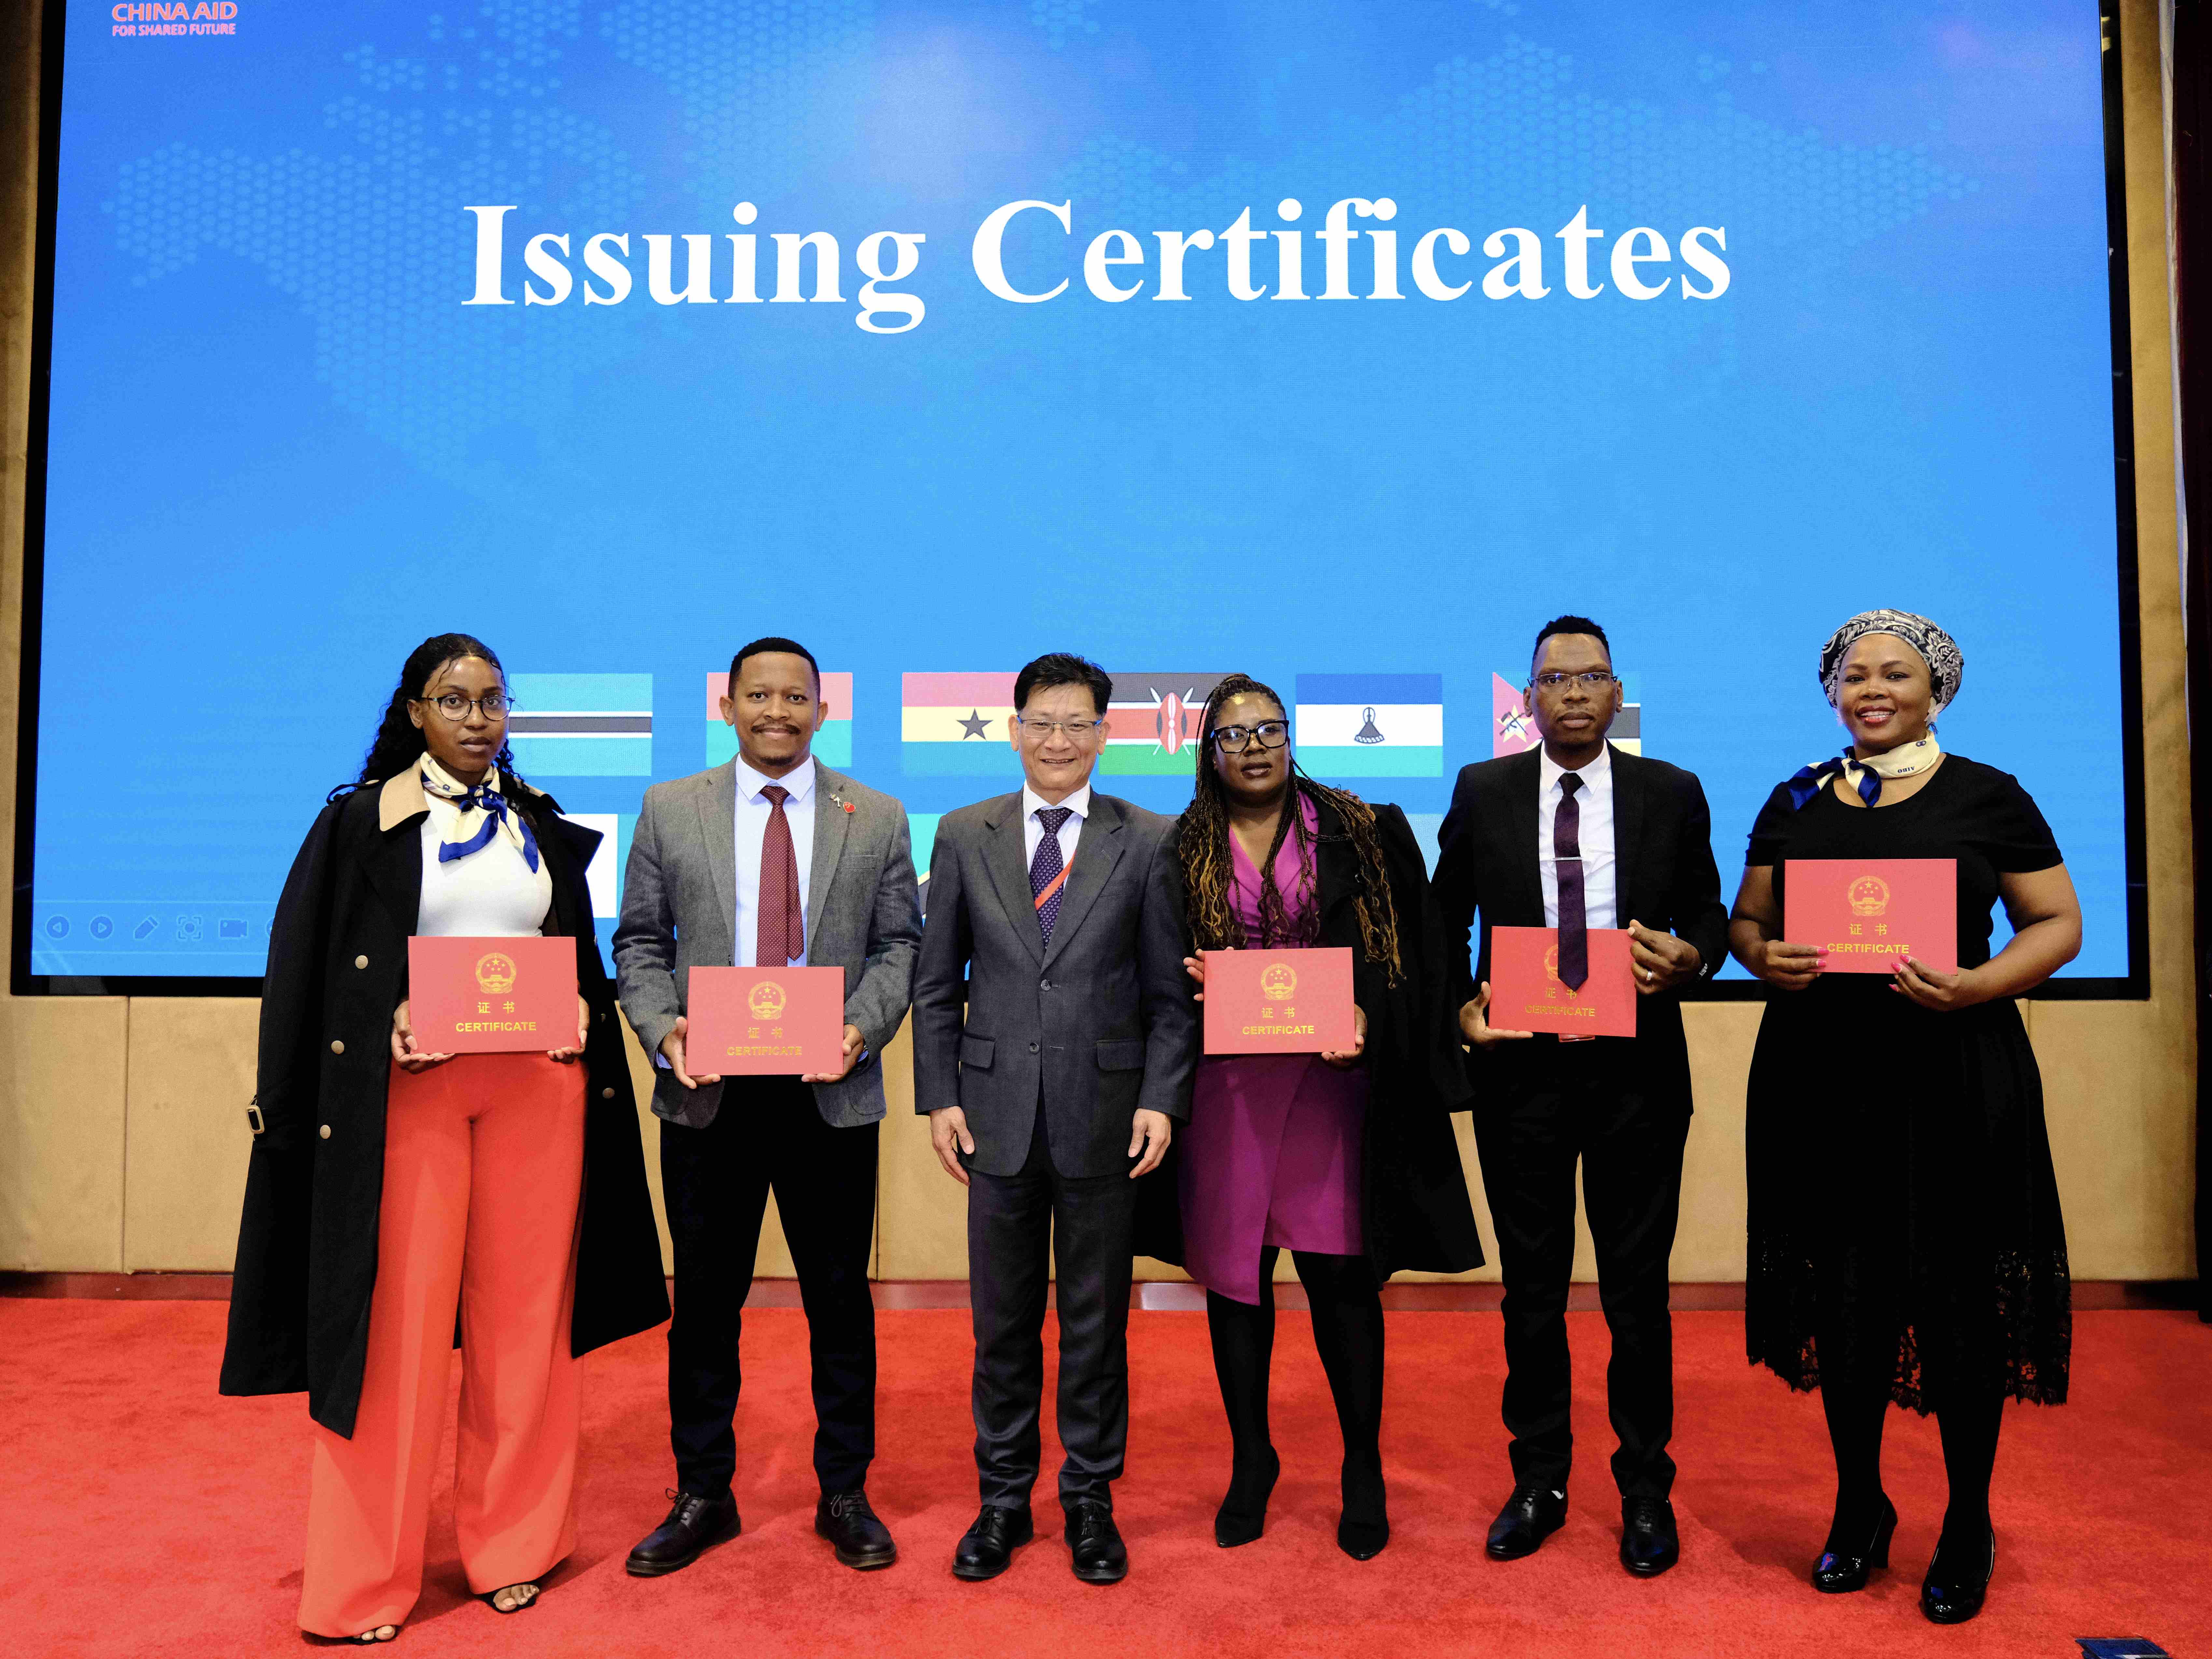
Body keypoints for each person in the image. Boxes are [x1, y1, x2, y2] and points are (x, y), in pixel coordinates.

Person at [220, 633, 668, 1643]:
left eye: (492, 700)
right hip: (409, 1097)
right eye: (455, 699)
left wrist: (583, 1008)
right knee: (392, 1339)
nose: (477, 717)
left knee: (527, 1334)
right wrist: (378, 1020)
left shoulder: (539, 820)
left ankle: (515, 1545)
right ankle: (363, 1581)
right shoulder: (358, 821)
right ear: (416, 710)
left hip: (539, 1090)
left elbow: (571, 954)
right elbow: (304, 969)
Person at [1728, 608, 2078, 1625]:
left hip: (1952, 1074)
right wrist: (1762, 955)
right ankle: (1859, 1504)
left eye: (1894, 673)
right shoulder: (1795, 795)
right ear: (1831, 691)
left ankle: (1966, 1520)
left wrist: (1978, 984)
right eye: (1853, 675)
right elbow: (1747, 921)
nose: (1871, 688)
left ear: (1935, 691)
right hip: (1819, 1079)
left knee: (1959, 1302)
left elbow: (2057, 922)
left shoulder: (1988, 794)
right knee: (1846, 1299)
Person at [1137, 674, 1484, 1560]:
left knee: (1341, 1285)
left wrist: (1369, 1016)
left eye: (1268, 729)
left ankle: (1362, 1467)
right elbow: (1156, 972)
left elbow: (1415, 955)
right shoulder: (1181, 846)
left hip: (1336, 1092)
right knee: (1237, 1285)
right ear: (1208, 752)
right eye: (1233, 734)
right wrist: (1192, 977)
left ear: (1290, 738)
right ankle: (1252, 1461)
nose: (1253, 746)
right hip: (1229, 1096)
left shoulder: (1365, 829)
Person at [613, 636, 920, 1576]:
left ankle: (845, 1490)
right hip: (709, 1093)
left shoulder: (877, 814)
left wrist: (860, 1030)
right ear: (728, 706)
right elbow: (638, 942)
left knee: (840, 1302)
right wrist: (663, 1030)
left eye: (795, 697)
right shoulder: (671, 808)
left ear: (822, 709)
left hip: (829, 1089)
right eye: (759, 695)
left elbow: (900, 947)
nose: (776, 711)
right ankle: (703, 1492)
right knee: (706, 1305)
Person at [1434, 615, 1727, 1578]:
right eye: (1554, 679)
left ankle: (1645, 1487)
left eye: (1590, 677)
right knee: (1532, 1291)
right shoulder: (1483, 789)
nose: (1572, 693)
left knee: (1637, 1293)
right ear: (1529, 697)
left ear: (1616, 694)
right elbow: (1444, 917)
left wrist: (1691, 956)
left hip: (1636, 1076)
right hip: (1521, 1075)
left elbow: (1707, 913)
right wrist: (1459, 1007)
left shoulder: (1670, 790)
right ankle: (1539, 1481)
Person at [911, 652, 1200, 1584]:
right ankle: (1001, 1499)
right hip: (991, 1115)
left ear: (1105, 734)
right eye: (1041, 722)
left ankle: (1088, 1499)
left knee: (1094, 1323)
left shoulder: (1148, 839)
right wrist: (940, 1095)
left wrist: (1160, 1098)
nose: (1058, 740)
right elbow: (934, 985)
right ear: (1014, 729)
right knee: (1000, 1325)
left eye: (1078, 724)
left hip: (1106, 1116)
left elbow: (1170, 996)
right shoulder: (964, 833)